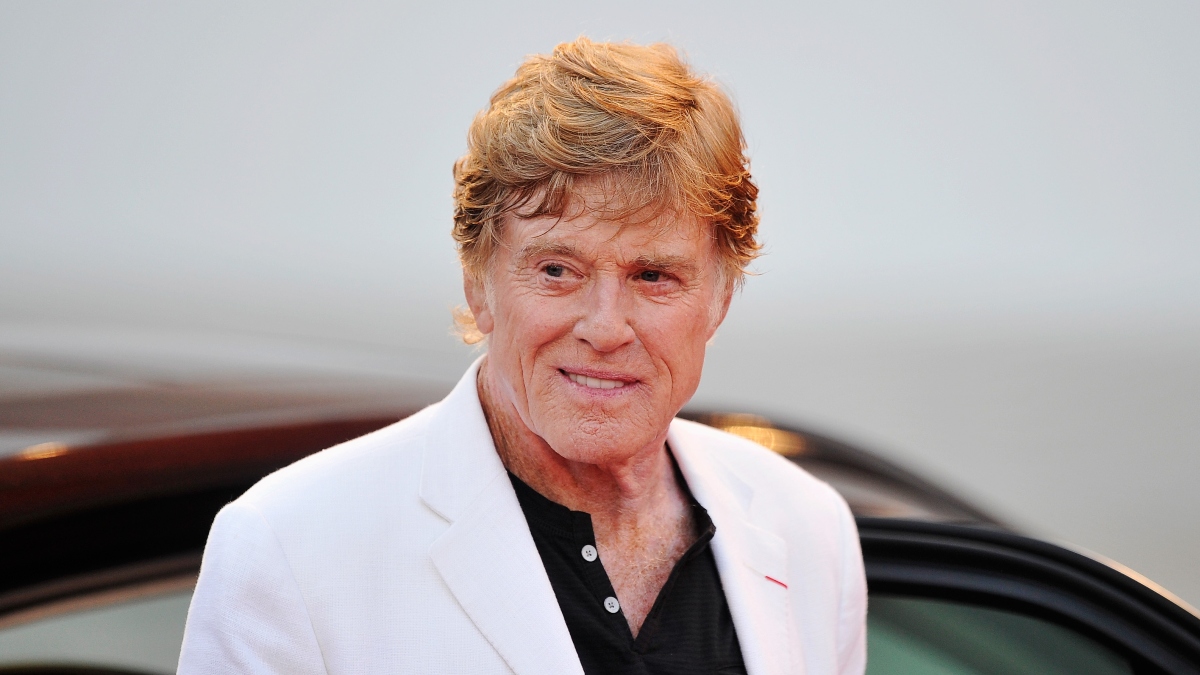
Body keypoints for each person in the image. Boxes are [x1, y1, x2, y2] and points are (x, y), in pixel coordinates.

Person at [178, 37, 866, 675]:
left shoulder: (809, 530)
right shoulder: (289, 551)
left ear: (719, 297)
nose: (605, 327)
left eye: (653, 276)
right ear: (479, 283)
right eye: (558, 270)